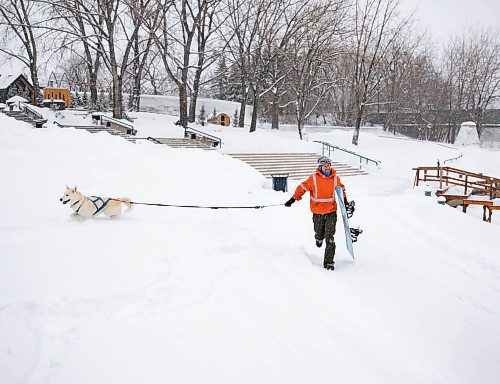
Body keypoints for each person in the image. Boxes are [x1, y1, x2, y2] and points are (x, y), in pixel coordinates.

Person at [284, 156, 350, 271]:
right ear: (320, 166)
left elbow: (341, 190)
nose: (327, 166)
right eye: (325, 164)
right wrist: (293, 199)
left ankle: (329, 262)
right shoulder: (313, 178)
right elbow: (302, 188)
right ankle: (319, 238)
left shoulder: (335, 179)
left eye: (329, 164)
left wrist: (345, 202)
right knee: (319, 233)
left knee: (330, 237)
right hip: (317, 212)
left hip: (331, 212)